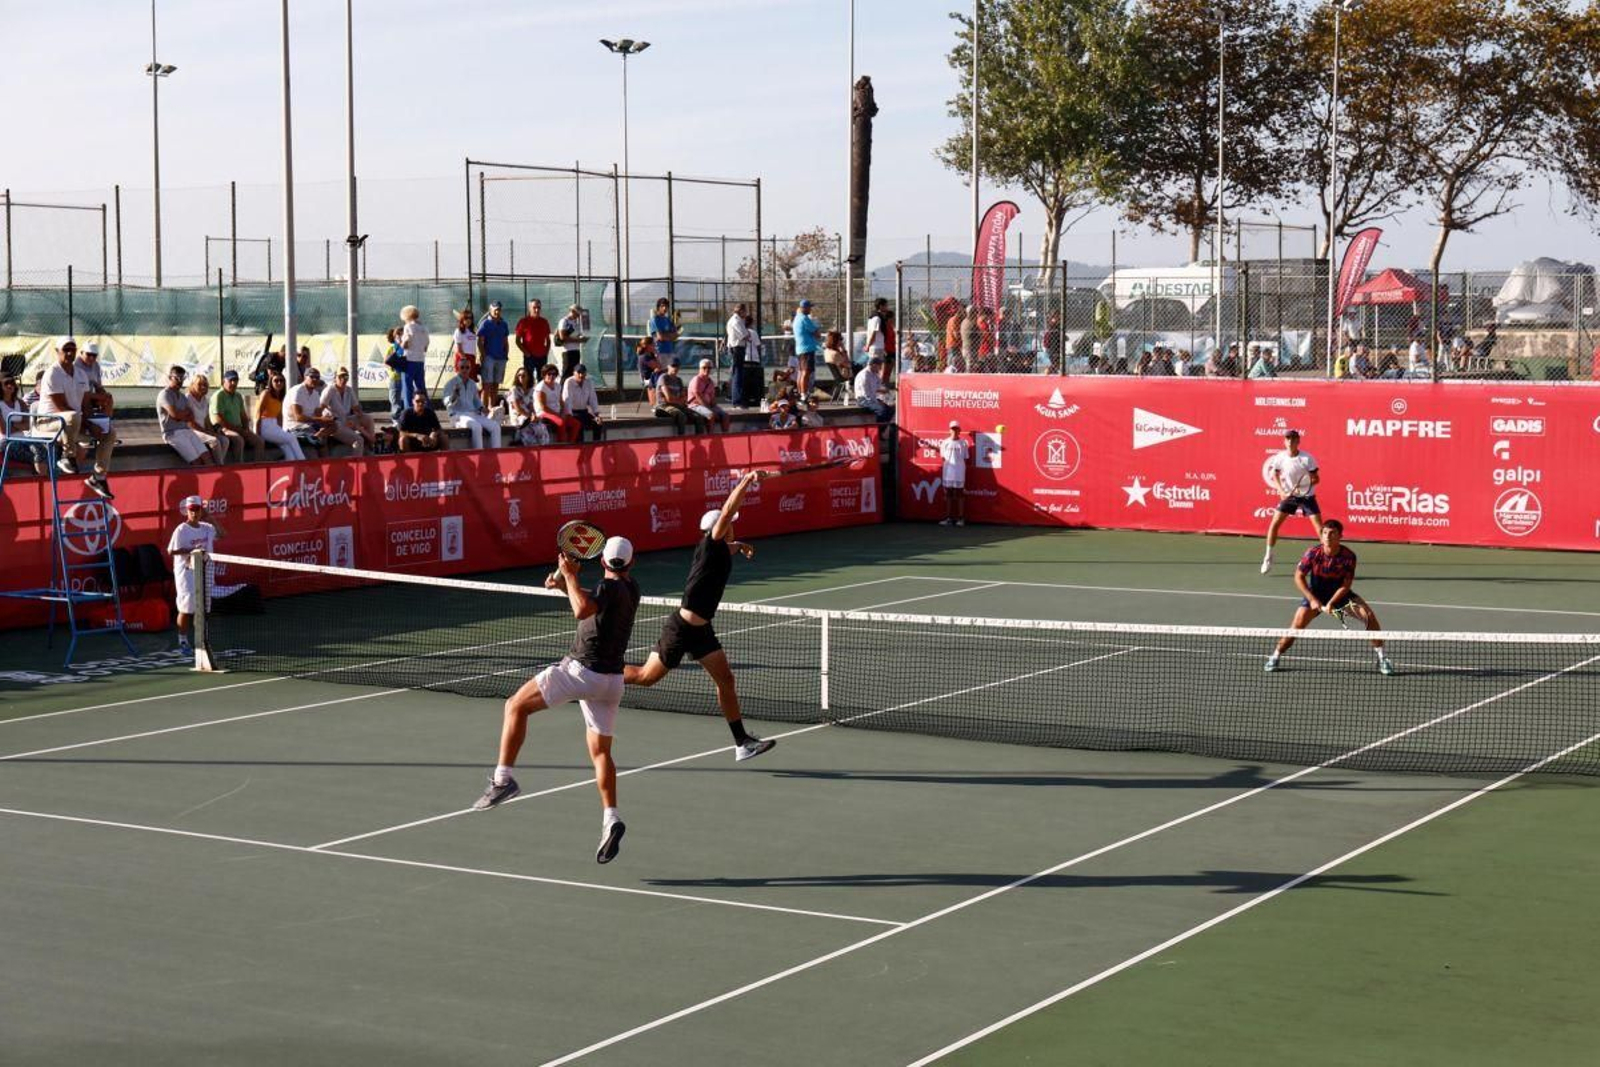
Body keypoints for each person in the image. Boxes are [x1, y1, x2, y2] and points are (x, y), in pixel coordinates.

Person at [473, 536, 642, 865]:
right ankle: (611, 818)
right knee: (601, 753)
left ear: (603, 562)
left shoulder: (607, 589)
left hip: (581, 672)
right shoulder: (632, 589)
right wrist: (565, 585)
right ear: (631, 564)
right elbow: (591, 608)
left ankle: (502, 781)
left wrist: (569, 574)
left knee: (515, 706)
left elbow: (582, 610)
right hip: (611, 683)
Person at [624, 472, 775, 762]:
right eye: (730, 525)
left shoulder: (717, 549)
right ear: (720, 527)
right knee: (645, 677)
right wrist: (747, 481)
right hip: (681, 629)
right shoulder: (711, 544)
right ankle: (597, 675)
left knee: (726, 681)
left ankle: (741, 742)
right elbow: (729, 509)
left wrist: (740, 545)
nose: (732, 526)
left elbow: (727, 542)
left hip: (702, 631)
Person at [1264, 520, 1393, 676]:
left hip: (1340, 595)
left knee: (1369, 618)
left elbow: (1346, 585)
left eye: (1332, 533)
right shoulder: (1312, 553)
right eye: (1324, 533)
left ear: (1340, 536)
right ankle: (1276, 655)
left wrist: (1332, 602)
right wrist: (1312, 599)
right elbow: (1299, 576)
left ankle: (1382, 657)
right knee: (1296, 626)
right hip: (1316, 594)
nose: (1327, 536)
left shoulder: (1348, 556)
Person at [36, 337, 114, 497]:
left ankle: (98, 477)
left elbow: (85, 405)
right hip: (47, 423)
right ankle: (67, 456)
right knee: (71, 416)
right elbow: (61, 408)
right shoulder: (52, 374)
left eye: (73, 349)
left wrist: (93, 424)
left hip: (72, 424)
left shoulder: (80, 374)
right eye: (66, 349)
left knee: (109, 433)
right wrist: (88, 425)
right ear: (57, 352)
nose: (70, 352)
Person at [1260, 428, 1324, 574]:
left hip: (1307, 496)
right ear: (1284, 441)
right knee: (1274, 525)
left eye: (1293, 439)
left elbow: (1316, 479)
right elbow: (1275, 474)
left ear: (1298, 442)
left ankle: (1325, 561)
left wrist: (1301, 486)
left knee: (1320, 530)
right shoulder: (1280, 457)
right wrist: (1281, 490)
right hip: (1289, 497)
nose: (1290, 441)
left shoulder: (1307, 458)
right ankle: (1268, 556)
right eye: (1288, 439)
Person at [168, 495, 225, 656]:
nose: (194, 513)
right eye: (191, 510)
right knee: (186, 609)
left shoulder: (207, 527)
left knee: (203, 610)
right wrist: (193, 553)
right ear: (187, 511)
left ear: (202, 510)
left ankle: (201, 641)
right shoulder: (181, 530)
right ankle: (183, 640)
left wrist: (210, 517)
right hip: (186, 575)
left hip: (205, 573)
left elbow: (222, 534)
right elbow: (171, 551)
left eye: (197, 509)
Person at [158, 365, 224, 466]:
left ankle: (215, 476)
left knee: (207, 458)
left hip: (187, 431)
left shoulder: (182, 397)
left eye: (183, 378)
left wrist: (181, 415)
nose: (180, 381)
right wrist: (182, 415)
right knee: (197, 462)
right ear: (170, 377)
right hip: (172, 434)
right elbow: (175, 415)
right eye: (177, 378)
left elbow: (189, 417)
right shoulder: (165, 394)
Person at [443, 359, 502, 449]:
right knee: (476, 426)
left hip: (472, 414)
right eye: (462, 367)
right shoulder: (451, 383)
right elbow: (446, 403)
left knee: (495, 426)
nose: (465, 370)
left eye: (467, 367)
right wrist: (454, 395)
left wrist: (483, 408)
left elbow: (476, 401)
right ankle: (479, 455)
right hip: (457, 415)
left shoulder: (472, 383)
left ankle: (496, 453)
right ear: (457, 368)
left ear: (470, 369)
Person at [210, 369, 264, 463]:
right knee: (239, 440)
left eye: (235, 380)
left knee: (259, 441)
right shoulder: (218, 395)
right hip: (222, 429)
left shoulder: (238, 396)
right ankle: (239, 466)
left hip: (238, 428)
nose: (233, 383)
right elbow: (219, 420)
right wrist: (239, 430)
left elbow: (243, 416)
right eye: (230, 380)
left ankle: (257, 467)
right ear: (224, 381)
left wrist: (246, 429)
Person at [320, 366, 374, 454]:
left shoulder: (349, 390)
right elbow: (320, 408)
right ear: (335, 378)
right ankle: (356, 464)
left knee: (368, 418)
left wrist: (359, 415)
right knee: (359, 440)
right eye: (340, 377)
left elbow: (356, 408)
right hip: (334, 423)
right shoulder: (329, 390)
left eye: (346, 377)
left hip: (346, 419)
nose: (343, 379)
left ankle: (371, 442)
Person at [254, 371, 306, 460]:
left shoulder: (280, 396)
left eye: (281, 380)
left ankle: (291, 469)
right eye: (276, 380)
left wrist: (281, 431)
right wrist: (257, 435)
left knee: (288, 448)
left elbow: (279, 417)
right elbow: (257, 414)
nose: (279, 383)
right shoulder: (266, 393)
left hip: (274, 427)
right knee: (292, 438)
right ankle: (304, 463)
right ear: (271, 382)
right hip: (264, 426)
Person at [284, 366, 334, 451]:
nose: (315, 379)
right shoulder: (297, 391)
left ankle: (315, 439)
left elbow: (318, 415)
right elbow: (298, 417)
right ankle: (315, 441)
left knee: (334, 426)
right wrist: (320, 419)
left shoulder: (315, 393)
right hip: (295, 427)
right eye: (312, 376)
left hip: (309, 426)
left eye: (317, 377)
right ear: (305, 377)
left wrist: (326, 420)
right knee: (318, 447)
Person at [653, 358, 706, 435]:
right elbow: (669, 399)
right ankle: (681, 439)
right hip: (662, 406)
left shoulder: (679, 380)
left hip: (677, 405)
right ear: (668, 366)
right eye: (673, 366)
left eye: (677, 366)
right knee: (681, 416)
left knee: (698, 416)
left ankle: (699, 440)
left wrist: (678, 400)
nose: (675, 368)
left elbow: (684, 398)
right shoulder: (664, 378)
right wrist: (679, 400)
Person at [476, 301, 511, 411]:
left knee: (496, 384)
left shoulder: (504, 324)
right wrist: (484, 355)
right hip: (489, 358)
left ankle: (492, 407)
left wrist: (506, 355)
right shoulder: (485, 323)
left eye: (499, 309)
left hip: (501, 358)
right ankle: (483, 408)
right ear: (490, 311)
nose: (497, 311)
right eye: (495, 309)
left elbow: (505, 341)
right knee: (487, 384)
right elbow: (480, 341)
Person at [938, 420, 971, 527]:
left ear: (959, 430)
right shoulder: (945, 442)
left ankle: (960, 519)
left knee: (960, 494)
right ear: (949, 430)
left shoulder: (963, 443)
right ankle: (948, 518)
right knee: (948, 495)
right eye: (952, 429)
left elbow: (966, 458)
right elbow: (943, 457)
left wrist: (959, 468)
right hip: (948, 472)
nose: (954, 431)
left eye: (956, 429)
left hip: (959, 472)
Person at [534, 363, 577, 444]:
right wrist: (557, 414)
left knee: (576, 424)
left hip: (557, 412)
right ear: (544, 375)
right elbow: (543, 407)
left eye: (554, 374)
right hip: (544, 413)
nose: (551, 376)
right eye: (549, 374)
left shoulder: (557, 386)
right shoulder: (540, 388)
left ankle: (571, 444)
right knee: (561, 422)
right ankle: (562, 445)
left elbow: (561, 402)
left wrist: (564, 412)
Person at [562, 363, 605, 441]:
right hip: (573, 413)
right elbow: (567, 399)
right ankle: (581, 448)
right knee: (579, 426)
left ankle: (596, 445)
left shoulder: (589, 382)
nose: (581, 375)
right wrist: (569, 415)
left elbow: (593, 398)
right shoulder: (569, 382)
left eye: (583, 373)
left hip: (584, 412)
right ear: (574, 373)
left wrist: (596, 415)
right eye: (579, 373)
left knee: (598, 424)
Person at [688, 358, 731, 432]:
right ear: (700, 368)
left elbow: (712, 398)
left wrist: (715, 407)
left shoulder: (710, 382)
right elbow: (698, 396)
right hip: (695, 405)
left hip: (708, 405)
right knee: (711, 415)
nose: (707, 369)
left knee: (725, 415)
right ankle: (710, 436)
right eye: (704, 367)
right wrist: (710, 409)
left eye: (709, 368)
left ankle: (725, 435)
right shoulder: (696, 380)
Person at [399, 304, 429, 408]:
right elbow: (426, 347)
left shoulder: (408, 327)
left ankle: (409, 410)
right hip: (420, 360)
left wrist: (400, 342)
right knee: (421, 387)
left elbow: (405, 344)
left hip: (409, 360)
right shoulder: (424, 328)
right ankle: (426, 409)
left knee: (408, 388)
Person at [514, 299, 553, 378]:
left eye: (538, 307)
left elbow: (548, 340)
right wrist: (526, 353)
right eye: (534, 307)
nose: (537, 310)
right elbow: (517, 341)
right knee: (528, 379)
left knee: (542, 378)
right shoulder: (523, 322)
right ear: (529, 308)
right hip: (529, 357)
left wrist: (546, 352)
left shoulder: (544, 322)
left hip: (542, 356)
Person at [792, 298, 821, 401]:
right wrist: (817, 326)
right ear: (804, 308)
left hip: (800, 349)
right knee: (806, 372)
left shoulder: (796, 318)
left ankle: (801, 393)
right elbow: (817, 333)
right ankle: (804, 394)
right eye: (809, 307)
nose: (810, 310)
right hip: (807, 349)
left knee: (801, 372)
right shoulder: (804, 318)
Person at [726, 302, 752, 407]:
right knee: (737, 374)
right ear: (741, 310)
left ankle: (737, 398)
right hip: (736, 348)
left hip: (739, 348)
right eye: (745, 311)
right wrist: (747, 334)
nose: (746, 314)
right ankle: (736, 400)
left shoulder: (739, 320)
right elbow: (744, 335)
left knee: (738, 374)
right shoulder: (735, 321)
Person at [854, 354, 891, 422]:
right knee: (881, 410)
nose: (880, 369)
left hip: (871, 398)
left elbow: (878, 386)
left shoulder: (874, 374)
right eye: (879, 366)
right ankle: (878, 429)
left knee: (890, 410)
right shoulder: (865, 375)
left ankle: (882, 430)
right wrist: (876, 402)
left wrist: (884, 391)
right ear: (874, 365)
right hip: (863, 399)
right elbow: (866, 394)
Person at [556, 304, 587, 380]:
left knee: (574, 372)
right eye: (577, 313)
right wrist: (579, 340)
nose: (578, 315)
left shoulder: (575, 323)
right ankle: (562, 389)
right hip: (567, 351)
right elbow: (562, 337)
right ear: (572, 311)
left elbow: (577, 334)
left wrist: (582, 338)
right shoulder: (564, 321)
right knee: (567, 373)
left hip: (576, 350)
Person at [383, 327, 407, 419]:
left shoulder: (405, 347)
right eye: (399, 334)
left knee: (404, 399)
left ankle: (402, 418)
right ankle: (396, 419)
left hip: (404, 377)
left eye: (402, 334)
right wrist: (392, 367)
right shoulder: (392, 348)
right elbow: (386, 361)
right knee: (394, 399)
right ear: (394, 337)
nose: (401, 336)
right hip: (395, 378)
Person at [650, 297, 678, 370]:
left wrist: (666, 335)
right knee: (660, 376)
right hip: (659, 352)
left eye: (666, 306)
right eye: (662, 306)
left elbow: (675, 335)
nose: (665, 308)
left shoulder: (667, 320)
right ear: (658, 307)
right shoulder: (655, 319)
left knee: (669, 375)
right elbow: (660, 337)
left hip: (670, 351)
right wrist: (669, 336)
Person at [450, 308, 479, 376]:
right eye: (466, 318)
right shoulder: (458, 331)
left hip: (472, 358)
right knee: (461, 383)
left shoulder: (473, 332)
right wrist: (465, 361)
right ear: (462, 319)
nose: (469, 320)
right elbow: (459, 349)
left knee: (470, 382)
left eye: (470, 318)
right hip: (462, 359)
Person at [635, 336, 662, 405]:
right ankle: (656, 403)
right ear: (647, 346)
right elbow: (658, 366)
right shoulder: (644, 357)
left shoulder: (651, 355)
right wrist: (657, 355)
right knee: (662, 378)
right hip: (647, 379)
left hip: (654, 376)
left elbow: (659, 367)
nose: (655, 346)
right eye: (653, 344)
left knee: (665, 376)